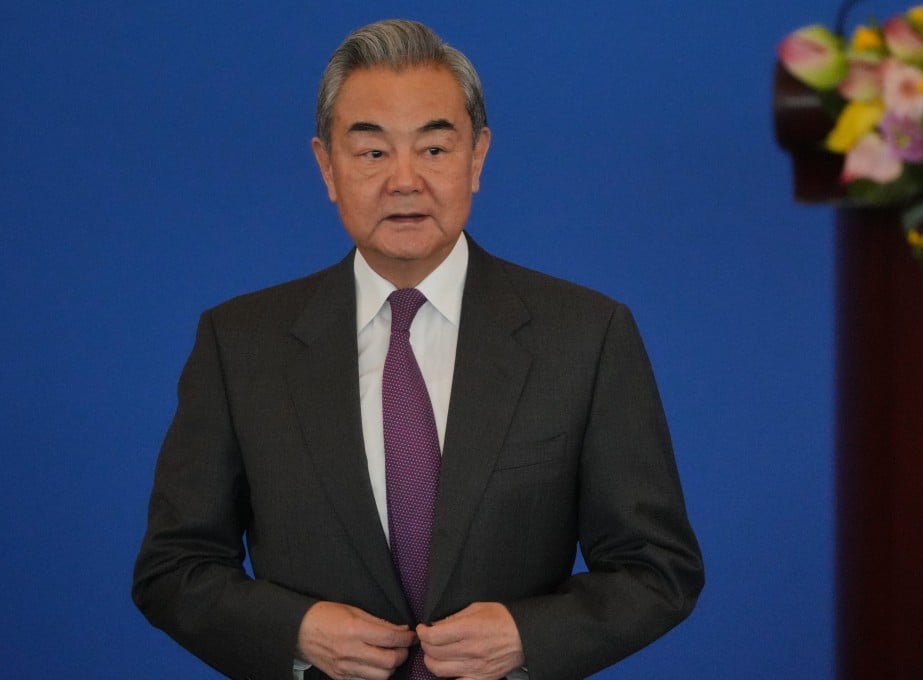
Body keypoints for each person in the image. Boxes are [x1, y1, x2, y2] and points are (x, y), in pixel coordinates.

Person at [132, 18, 704, 680]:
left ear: (477, 157)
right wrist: (297, 632)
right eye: (372, 152)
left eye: (434, 149)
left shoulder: (586, 335)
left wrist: (528, 635)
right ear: (327, 166)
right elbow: (173, 568)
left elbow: (657, 568)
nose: (405, 180)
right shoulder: (239, 345)